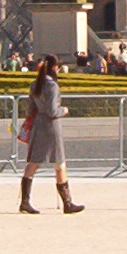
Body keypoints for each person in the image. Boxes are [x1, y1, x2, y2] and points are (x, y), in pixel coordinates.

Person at [19, 56, 83, 214]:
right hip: (51, 126)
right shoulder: (52, 86)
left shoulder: (35, 84)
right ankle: (67, 203)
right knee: (59, 163)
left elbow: (30, 108)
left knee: (33, 163)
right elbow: (53, 110)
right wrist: (65, 110)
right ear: (55, 68)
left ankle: (25, 201)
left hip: (38, 124)